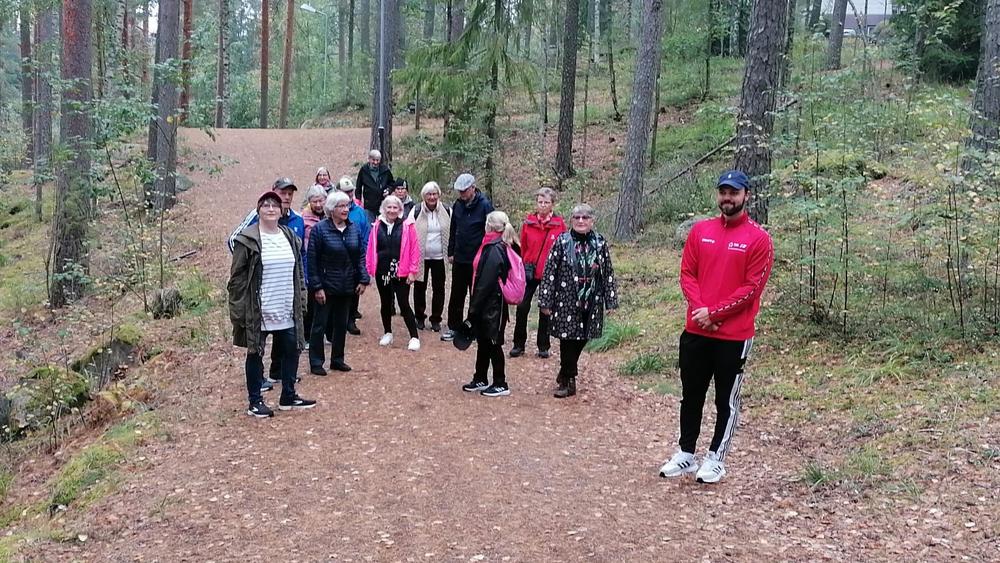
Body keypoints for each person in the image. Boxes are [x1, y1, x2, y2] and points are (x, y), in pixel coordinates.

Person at [657, 170, 774, 484]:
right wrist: (701, 312)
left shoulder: (758, 238)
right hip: (696, 330)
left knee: (726, 400)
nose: (727, 198)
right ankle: (686, 453)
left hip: (733, 336)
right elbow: (687, 274)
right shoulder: (701, 231)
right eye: (723, 192)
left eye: (734, 193)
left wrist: (716, 313)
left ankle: (716, 458)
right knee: (691, 395)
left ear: (746, 195)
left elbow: (752, 288)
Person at [228, 191, 316, 417]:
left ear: (281, 210)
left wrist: (302, 299)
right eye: (265, 205)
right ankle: (255, 401)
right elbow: (237, 279)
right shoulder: (248, 240)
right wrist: (238, 310)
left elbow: (298, 272)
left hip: (286, 307)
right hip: (259, 309)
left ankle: (288, 396)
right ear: (258, 210)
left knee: (292, 349)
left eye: (274, 205)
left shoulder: (289, 237)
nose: (270, 209)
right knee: (255, 353)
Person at [538, 203, 619, 399]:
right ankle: (568, 380)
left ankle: (565, 371)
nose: (581, 221)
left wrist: (610, 300)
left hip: (592, 300)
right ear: (571, 220)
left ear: (592, 221)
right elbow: (549, 271)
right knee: (567, 340)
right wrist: (546, 300)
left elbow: (607, 271)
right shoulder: (562, 241)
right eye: (577, 217)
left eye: (585, 217)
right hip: (566, 300)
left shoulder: (599, 242)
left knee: (583, 337)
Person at [307, 191, 370, 374]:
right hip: (326, 287)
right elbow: (312, 260)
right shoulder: (320, 230)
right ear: (331, 209)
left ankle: (337, 359)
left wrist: (363, 279)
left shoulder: (353, 228)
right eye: (341, 206)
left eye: (347, 205)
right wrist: (317, 287)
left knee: (341, 325)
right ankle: (316, 362)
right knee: (320, 325)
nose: (345, 209)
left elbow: (360, 256)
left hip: (347, 285)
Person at [461, 211, 518, 397]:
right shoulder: (491, 243)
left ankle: (501, 382)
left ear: (490, 226)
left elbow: (486, 281)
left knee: (493, 342)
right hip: (487, 302)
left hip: (493, 304)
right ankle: (480, 378)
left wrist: (474, 308)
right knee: (483, 340)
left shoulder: (495, 248)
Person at [511, 187, 566, 359]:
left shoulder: (559, 225)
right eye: (540, 202)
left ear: (552, 204)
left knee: (545, 309)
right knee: (522, 307)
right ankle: (518, 344)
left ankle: (543, 346)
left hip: (550, 272)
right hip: (530, 271)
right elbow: (522, 247)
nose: (542, 205)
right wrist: (523, 266)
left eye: (546, 202)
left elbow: (563, 249)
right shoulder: (528, 223)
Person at [442, 173, 494, 341]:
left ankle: (475, 329)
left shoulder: (485, 205)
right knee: (457, 294)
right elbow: (453, 229)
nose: (462, 194)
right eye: (460, 191)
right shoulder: (458, 205)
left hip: (478, 259)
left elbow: (491, 232)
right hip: (460, 257)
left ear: (473, 188)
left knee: (476, 295)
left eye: (464, 191)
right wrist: (451, 251)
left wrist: (487, 255)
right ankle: (454, 327)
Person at [366, 195, 421, 351]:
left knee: (403, 303)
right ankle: (387, 332)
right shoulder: (377, 225)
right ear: (384, 209)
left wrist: (413, 271)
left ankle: (414, 336)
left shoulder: (407, 226)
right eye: (389, 207)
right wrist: (370, 268)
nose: (391, 210)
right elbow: (371, 247)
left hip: (401, 271)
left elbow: (414, 249)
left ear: (400, 209)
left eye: (395, 207)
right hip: (382, 271)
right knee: (385, 303)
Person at [408, 181, 451, 332]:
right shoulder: (416, 210)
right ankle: (419, 317)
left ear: (439, 195)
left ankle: (436, 319)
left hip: (440, 257)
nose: (432, 197)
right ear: (424, 196)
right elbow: (409, 232)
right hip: (421, 258)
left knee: (439, 288)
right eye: (429, 194)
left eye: (434, 194)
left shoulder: (447, 210)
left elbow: (453, 231)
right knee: (420, 287)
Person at [336, 176, 371, 335]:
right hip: (337, 255)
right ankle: (338, 320)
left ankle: (351, 320)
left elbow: (366, 232)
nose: (348, 194)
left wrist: (364, 252)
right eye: (345, 192)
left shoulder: (360, 212)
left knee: (355, 288)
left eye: (350, 191)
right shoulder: (332, 210)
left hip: (355, 255)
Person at [300, 185, 328, 341]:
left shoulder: (330, 215)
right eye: (314, 201)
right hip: (310, 263)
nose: (318, 205)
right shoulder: (303, 218)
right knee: (310, 301)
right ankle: (307, 336)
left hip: (327, 263)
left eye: (321, 201)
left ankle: (326, 333)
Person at [356, 149, 394, 223]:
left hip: (383, 204)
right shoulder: (364, 170)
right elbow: (358, 187)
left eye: (377, 160)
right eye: (373, 160)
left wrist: (388, 190)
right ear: (369, 159)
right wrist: (358, 202)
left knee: (383, 224)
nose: (375, 162)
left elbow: (392, 184)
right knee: (369, 225)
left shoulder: (385, 170)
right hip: (369, 205)